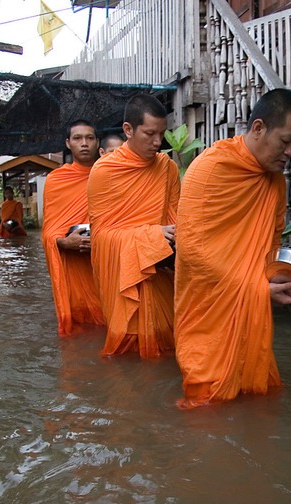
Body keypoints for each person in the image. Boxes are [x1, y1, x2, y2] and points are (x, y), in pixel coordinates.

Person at [174, 88, 291, 409]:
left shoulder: (274, 182)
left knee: (256, 403)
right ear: (259, 128)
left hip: (248, 314)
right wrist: (256, 287)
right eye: (285, 141)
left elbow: (266, 251)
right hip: (208, 313)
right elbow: (194, 253)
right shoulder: (210, 170)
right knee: (204, 408)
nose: (290, 152)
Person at [87, 94, 180, 359]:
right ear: (128, 129)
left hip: (160, 272)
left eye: (162, 134)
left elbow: (176, 220)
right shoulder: (105, 172)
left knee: (166, 350)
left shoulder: (168, 168)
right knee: (127, 359)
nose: (157, 142)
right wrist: (149, 236)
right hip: (124, 280)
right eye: (149, 133)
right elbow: (101, 237)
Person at [41, 119, 105, 336]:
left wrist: (103, 241)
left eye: (89, 138)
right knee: (80, 330)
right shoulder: (56, 180)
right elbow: (49, 229)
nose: (84, 143)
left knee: (110, 321)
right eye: (78, 138)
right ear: (68, 143)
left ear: (98, 142)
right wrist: (64, 242)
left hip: (105, 263)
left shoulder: (111, 176)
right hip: (74, 265)